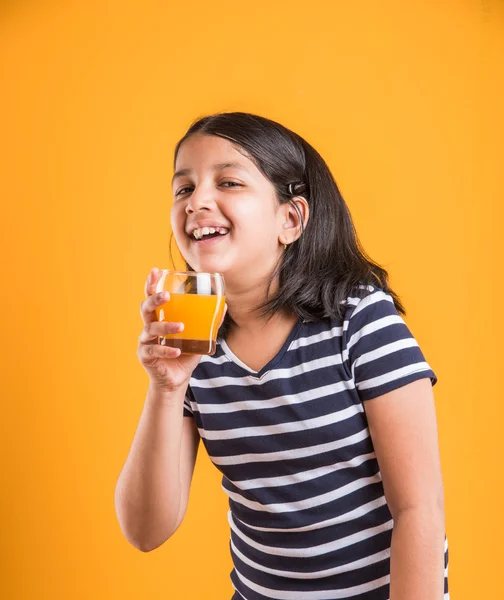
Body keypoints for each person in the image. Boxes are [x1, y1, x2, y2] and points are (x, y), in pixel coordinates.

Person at [115, 112, 450, 600]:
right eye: (183, 189)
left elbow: (420, 509)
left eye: (228, 182)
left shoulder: (359, 319)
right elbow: (146, 531)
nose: (197, 202)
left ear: (290, 220)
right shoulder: (192, 345)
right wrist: (167, 387)